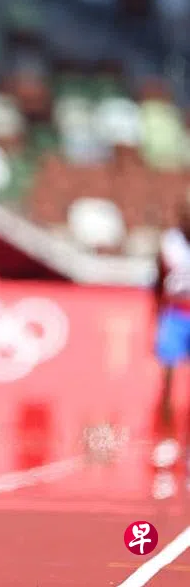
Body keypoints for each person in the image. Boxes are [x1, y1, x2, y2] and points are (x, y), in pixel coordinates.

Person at [151, 189, 190, 499]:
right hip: (174, 315)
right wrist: (155, 315)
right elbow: (157, 280)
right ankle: (167, 440)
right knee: (167, 379)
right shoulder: (169, 243)